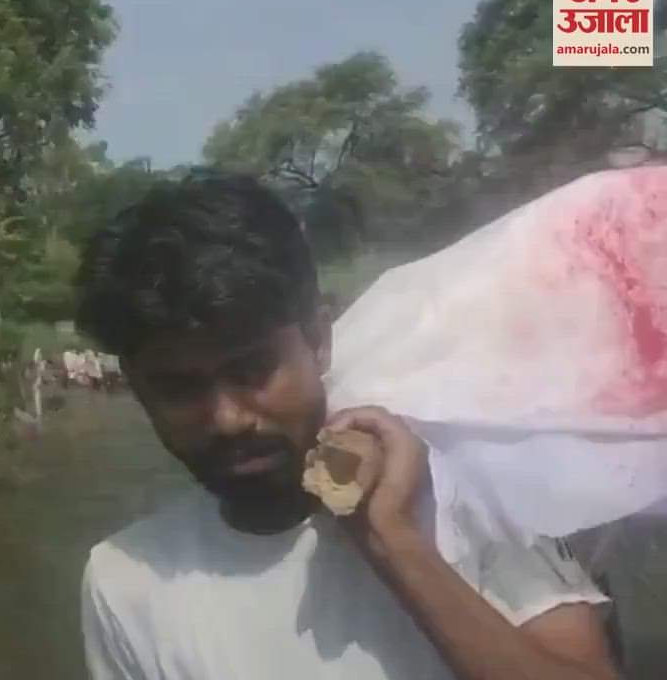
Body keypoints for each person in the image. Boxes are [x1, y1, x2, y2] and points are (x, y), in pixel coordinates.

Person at [73, 172, 619, 680]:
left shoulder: (469, 500)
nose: (227, 418)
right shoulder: (125, 579)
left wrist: (393, 541)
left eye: (251, 370)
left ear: (318, 339)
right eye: (179, 387)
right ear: (137, 388)